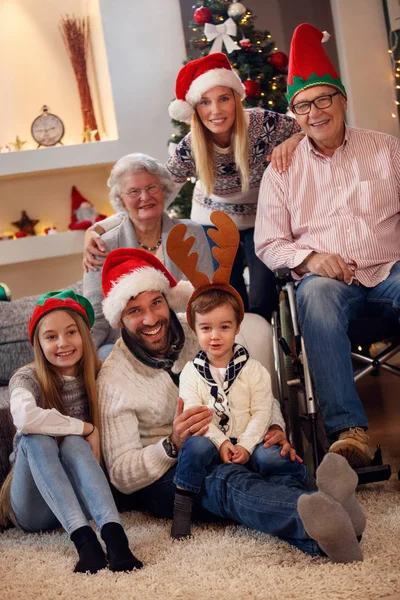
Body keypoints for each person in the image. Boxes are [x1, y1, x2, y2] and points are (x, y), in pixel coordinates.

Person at [96, 230, 366, 563]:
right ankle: (317, 510)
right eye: (134, 311)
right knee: (227, 481)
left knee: (271, 458)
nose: (151, 319)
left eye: (155, 303)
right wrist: (172, 444)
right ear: (119, 319)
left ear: (168, 299)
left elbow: (252, 389)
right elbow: (122, 476)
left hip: (233, 439)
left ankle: (335, 524)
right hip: (169, 475)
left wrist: (274, 428)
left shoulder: (202, 329)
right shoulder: (113, 379)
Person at [254, 23, 400, 469]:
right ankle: (349, 432)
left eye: (323, 99)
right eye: (303, 105)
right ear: (294, 115)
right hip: (329, 285)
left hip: (390, 269)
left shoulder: (386, 150)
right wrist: (310, 258)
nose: (315, 112)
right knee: (312, 293)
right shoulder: (282, 169)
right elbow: (268, 243)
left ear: (342, 100)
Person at [83, 53, 304, 322]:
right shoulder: (189, 148)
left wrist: (293, 142)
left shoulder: (263, 124)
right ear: (195, 109)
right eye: (205, 102)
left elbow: (304, 128)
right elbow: (150, 194)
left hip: (263, 218)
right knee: (228, 295)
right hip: (213, 222)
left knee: (263, 297)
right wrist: (98, 228)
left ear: (236, 99)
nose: (216, 111)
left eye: (224, 98)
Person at [167, 212, 310, 540]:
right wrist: (221, 446)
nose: (215, 336)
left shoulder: (253, 369)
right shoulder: (191, 372)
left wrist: (245, 445)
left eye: (224, 327)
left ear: (236, 328)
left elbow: (262, 411)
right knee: (195, 447)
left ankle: (297, 488)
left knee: (270, 454)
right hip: (212, 443)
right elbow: (198, 418)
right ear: (195, 329)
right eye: (206, 328)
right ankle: (183, 502)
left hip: (250, 438)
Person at [0, 290, 142, 574]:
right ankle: (85, 543)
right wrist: (84, 427)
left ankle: (116, 541)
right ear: (38, 344)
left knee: (74, 445)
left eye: (71, 332)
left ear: (86, 335)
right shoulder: (27, 378)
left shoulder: (101, 374)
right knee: (36, 436)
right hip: (33, 507)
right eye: (51, 336)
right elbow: (25, 417)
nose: (62, 343)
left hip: (85, 497)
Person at [82, 152, 213, 358]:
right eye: (133, 191)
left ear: (164, 191)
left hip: (184, 337)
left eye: (152, 187)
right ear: (122, 200)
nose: (145, 197)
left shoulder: (191, 233)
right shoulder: (102, 245)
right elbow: (95, 315)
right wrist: (83, 357)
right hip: (127, 345)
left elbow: (207, 295)